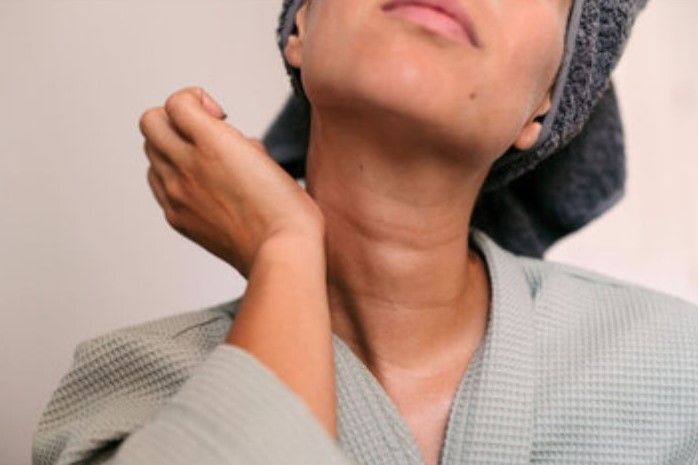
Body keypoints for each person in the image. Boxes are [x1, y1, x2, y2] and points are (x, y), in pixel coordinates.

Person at [32, 1, 698, 465]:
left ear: (548, 102)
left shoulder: (679, 374)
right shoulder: (127, 390)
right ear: (300, 24)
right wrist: (284, 250)